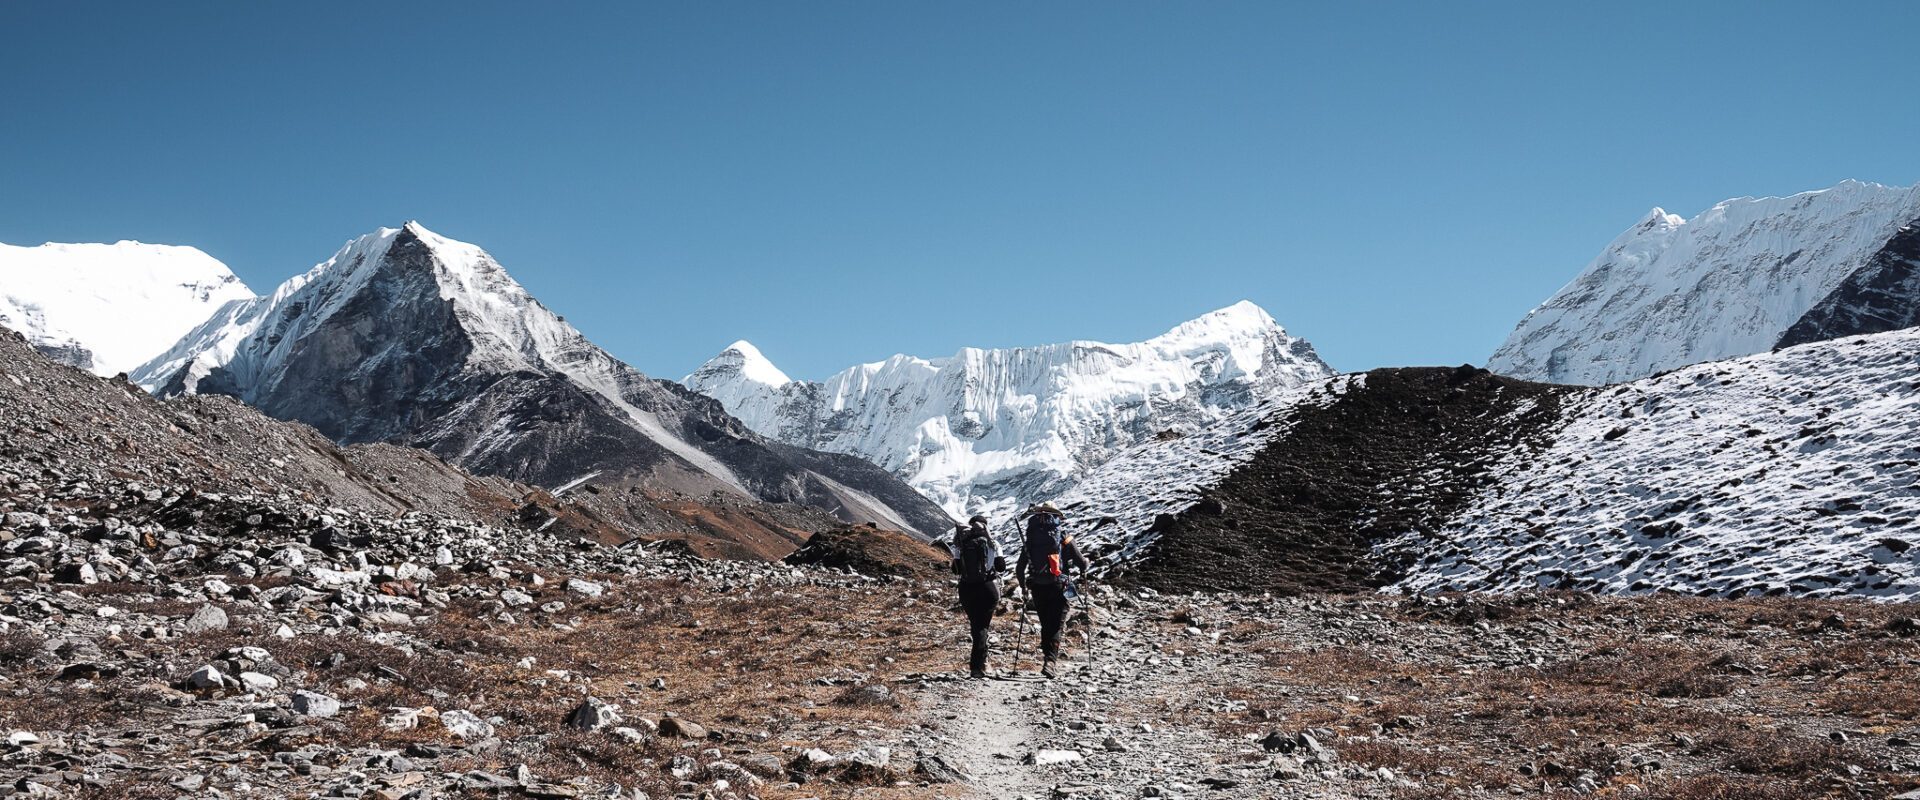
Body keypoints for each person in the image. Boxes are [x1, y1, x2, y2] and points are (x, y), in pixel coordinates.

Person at [1013, 503, 1090, 677]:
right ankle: (1050, 661)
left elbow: (1019, 568)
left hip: (1037, 586)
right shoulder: (1064, 538)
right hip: (1058, 585)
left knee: (1045, 623)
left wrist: (1023, 587)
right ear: (1056, 517)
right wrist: (1086, 564)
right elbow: (1081, 563)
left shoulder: (1031, 539)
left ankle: (1048, 657)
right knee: (1056, 624)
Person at [949, 514, 1006, 678]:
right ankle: (977, 666)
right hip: (988, 588)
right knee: (982, 627)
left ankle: (982, 662)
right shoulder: (993, 544)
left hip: (967, 589)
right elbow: (1001, 567)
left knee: (976, 626)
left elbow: (956, 570)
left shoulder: (961, 545)